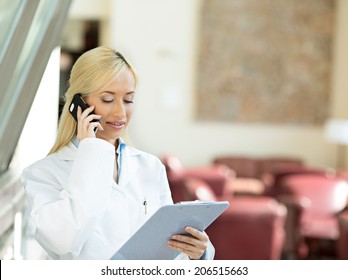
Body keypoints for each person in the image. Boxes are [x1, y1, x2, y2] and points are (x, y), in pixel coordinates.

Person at [21, 46, 214, 260]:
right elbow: (64, 241)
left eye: (128, 99)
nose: (121, 112)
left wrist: (198, 253)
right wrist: (91, 151)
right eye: (107, 99)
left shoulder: (150, 167)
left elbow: (167, 251)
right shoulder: (42, 174)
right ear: (79, 104)